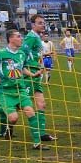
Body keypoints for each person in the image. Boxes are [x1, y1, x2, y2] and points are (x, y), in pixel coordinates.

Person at [0, 30, 48, 150]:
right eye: (18, 37)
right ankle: (6, 125)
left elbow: (22, 68)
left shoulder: (21, 53)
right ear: (11, 39)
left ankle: (37, 143)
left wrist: (32, 75)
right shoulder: (0, 53)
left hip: (20, 89)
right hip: (6, 91)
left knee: (30, 111)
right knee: (13, 118)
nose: (21, 39)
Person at [21, 14, 56, 142]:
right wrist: (24, 70)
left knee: (41, 104)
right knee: (20, 105)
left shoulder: (37, 37)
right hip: (29, 74)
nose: (43, 25)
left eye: (43, 22)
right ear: (33, 24)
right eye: (39, 23)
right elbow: (22, 54)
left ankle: (42, 133)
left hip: (36, 74)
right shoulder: (30, 37)